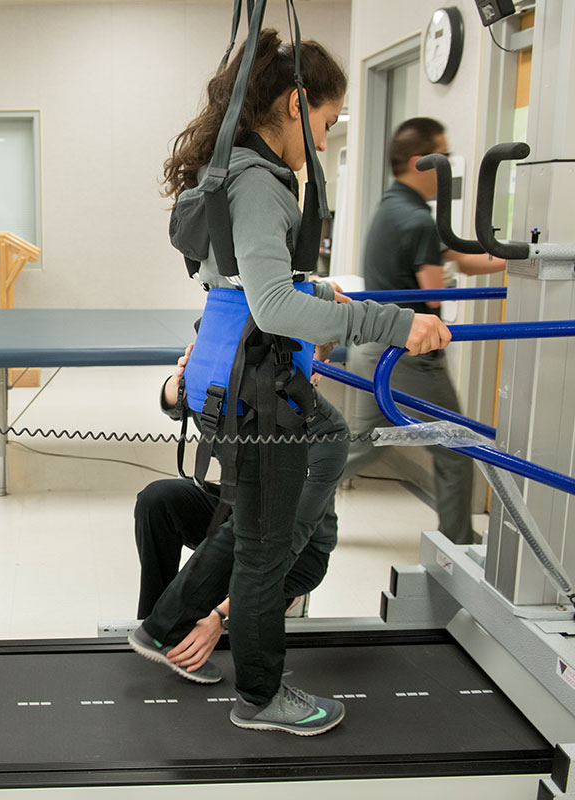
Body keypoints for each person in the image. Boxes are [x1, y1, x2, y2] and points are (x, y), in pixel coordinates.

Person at [128, 31, 451, 736]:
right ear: (295, 105)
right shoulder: (259, 182)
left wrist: (318, 291)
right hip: (254, 382)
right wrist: (394, 324)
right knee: (265, 544)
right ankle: (262, 696)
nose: (327, 141)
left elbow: (254, 284)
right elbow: (273, 308)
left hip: (233, 368)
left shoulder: (234, 169)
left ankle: (162, 627)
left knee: (264, 511)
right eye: (329, 123)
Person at [134, 345, 348, 677]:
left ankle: (190, 620)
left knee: (249, 532)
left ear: (320, 367)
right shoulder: (247, 394)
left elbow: (289, 540)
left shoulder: (326, 431)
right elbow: (176, 407)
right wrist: (184, 378)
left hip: (300, 550)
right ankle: (159, 624)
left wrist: (217, 616)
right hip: (244, 515)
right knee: (159, 500)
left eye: (308, 355)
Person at [340, 117, 503, 546]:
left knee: (366, 444)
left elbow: (465, 261)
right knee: (456, 446)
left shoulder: (393, 207)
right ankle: (461, 545)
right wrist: (442, 279)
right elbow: (432, 299)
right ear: (421, 162)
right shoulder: (418, 221)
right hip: (407, 357)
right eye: (444, 158)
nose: (448, 167)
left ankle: (289, 493)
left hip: (372, 348)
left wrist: (523, 259)